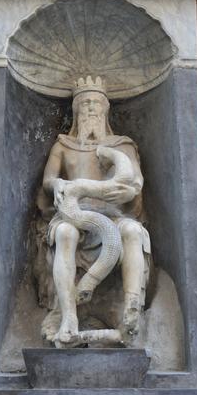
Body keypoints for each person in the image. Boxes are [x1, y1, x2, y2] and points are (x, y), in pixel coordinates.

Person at [40, 76, 150, 347]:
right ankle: (68, 317)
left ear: (105, 111)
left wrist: (128, 192)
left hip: (113, 215)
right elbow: (48, 180)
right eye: (86, 103)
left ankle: (131, 307)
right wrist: (60, 185)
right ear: (77, 110)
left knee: (133, 231)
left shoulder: (121, 145)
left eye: (96, 104)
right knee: (65, 233)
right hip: (73, 213)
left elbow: (135, 182)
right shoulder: (63, 145)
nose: (91, 108)